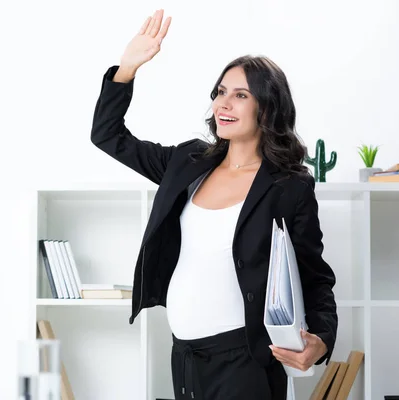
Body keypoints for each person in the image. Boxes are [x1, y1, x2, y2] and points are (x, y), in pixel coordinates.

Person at [90, 8, 338, 400]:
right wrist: (127, 68)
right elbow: (108, 136)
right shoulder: (187, 163)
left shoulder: (288, 186)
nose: (224, 104)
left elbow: (315, 275)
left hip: (246, 362)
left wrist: (321, 340)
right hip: (184, 355)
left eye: (241, 95)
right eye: (221, 92)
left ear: (267, 108)